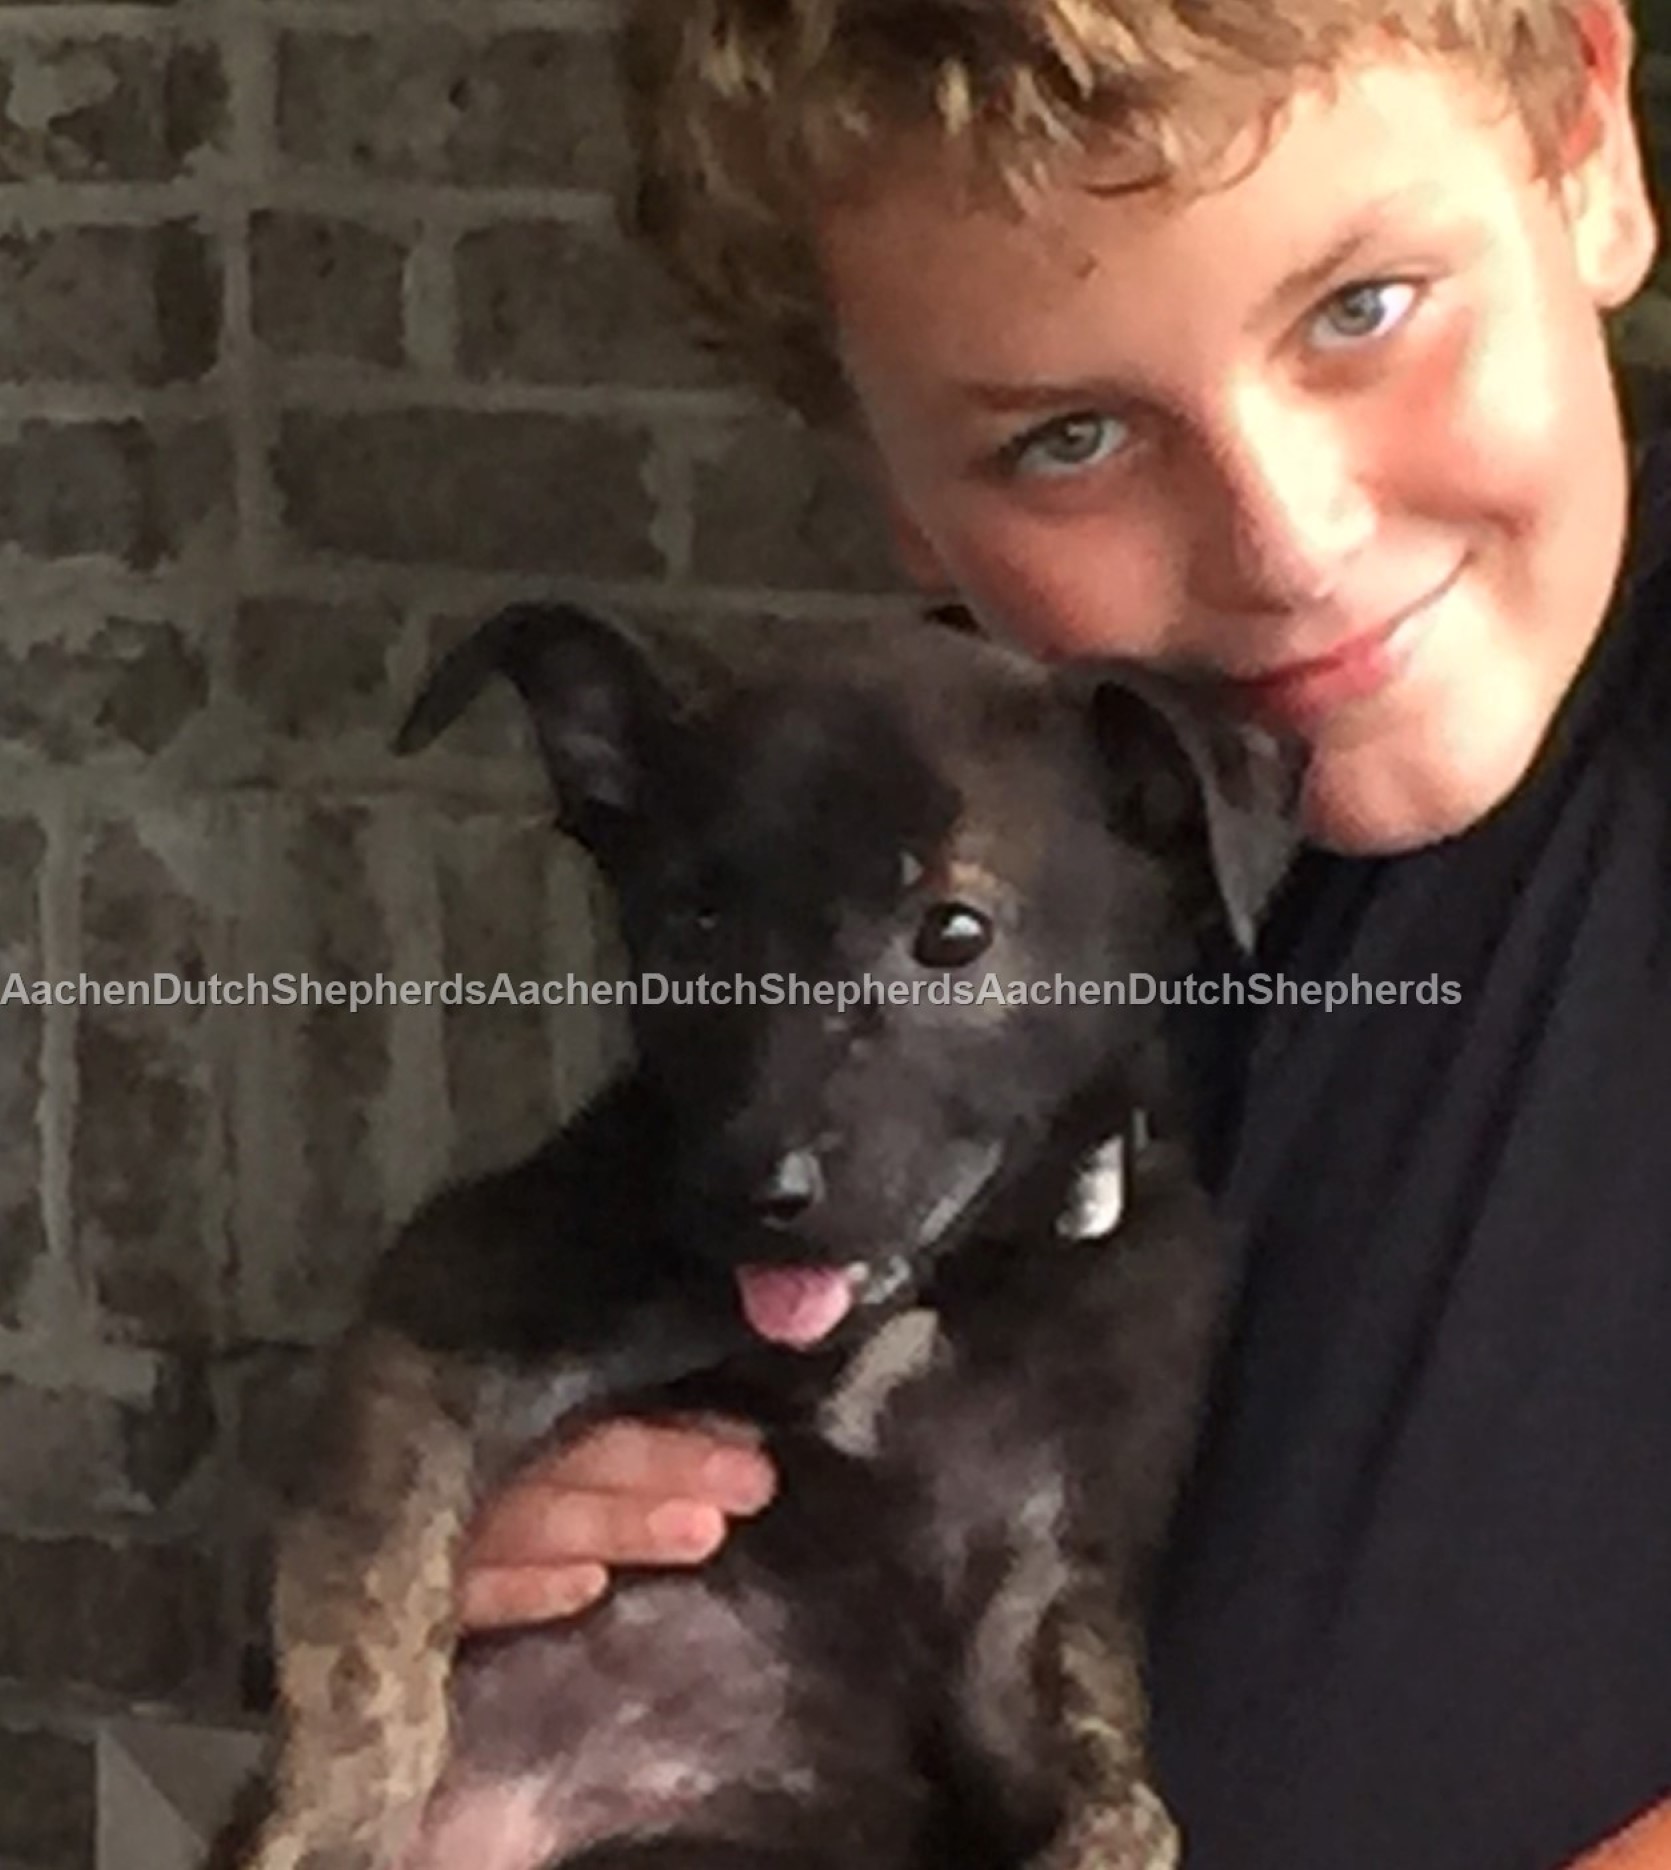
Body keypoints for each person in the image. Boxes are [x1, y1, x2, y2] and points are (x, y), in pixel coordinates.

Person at [454, 2, 1671, 1864]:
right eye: (1071, 437)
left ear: (1590, 144)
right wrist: (546, 1632)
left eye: (1363, 309)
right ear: (897, 488)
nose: (1289, 539)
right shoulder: (939, 858)